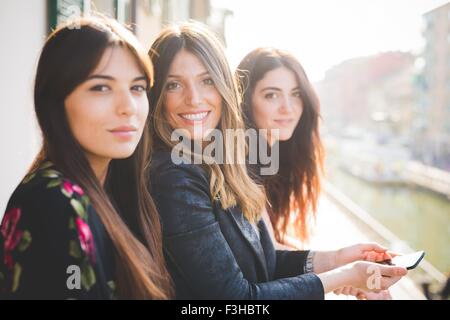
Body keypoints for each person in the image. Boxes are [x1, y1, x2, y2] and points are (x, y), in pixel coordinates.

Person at [147, 23, 407, 299]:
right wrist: (342, 276)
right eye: (174, 84)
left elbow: (265, 261)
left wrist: (338, 259)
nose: (194, 98)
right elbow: (236, 299)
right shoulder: (174, 176)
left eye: (207, 80)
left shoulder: (219, 163)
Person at [0, 16, 172, 299]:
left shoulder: (119, 191)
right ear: (55, 102)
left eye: (137, 87)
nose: (128, 107)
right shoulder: (54, 200)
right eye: (101, 87)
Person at [237, 47, 398, 299]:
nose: (288, 108)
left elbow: (270, 248)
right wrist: (339, 273)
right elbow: (266, 258)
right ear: (244, 100)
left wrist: (342, 268)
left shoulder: (273, 157)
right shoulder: (240, 164)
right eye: (271, 95)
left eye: (296, 95)